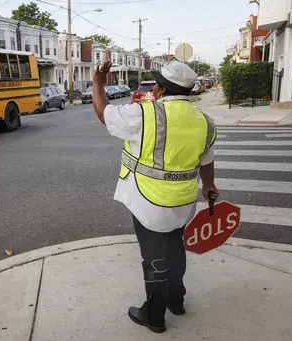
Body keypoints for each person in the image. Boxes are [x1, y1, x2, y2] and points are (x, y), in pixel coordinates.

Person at [92, 59, 218, 333]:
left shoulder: (146, 114)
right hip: (184, 203)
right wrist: (209, 186)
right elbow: (206, 160)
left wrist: (98, 82)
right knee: (175, 247)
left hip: (148, 201)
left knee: (154, 258)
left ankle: (155, 316)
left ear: (160, 89)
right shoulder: (205, 122)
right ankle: (176, 301)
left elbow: (104, 113)